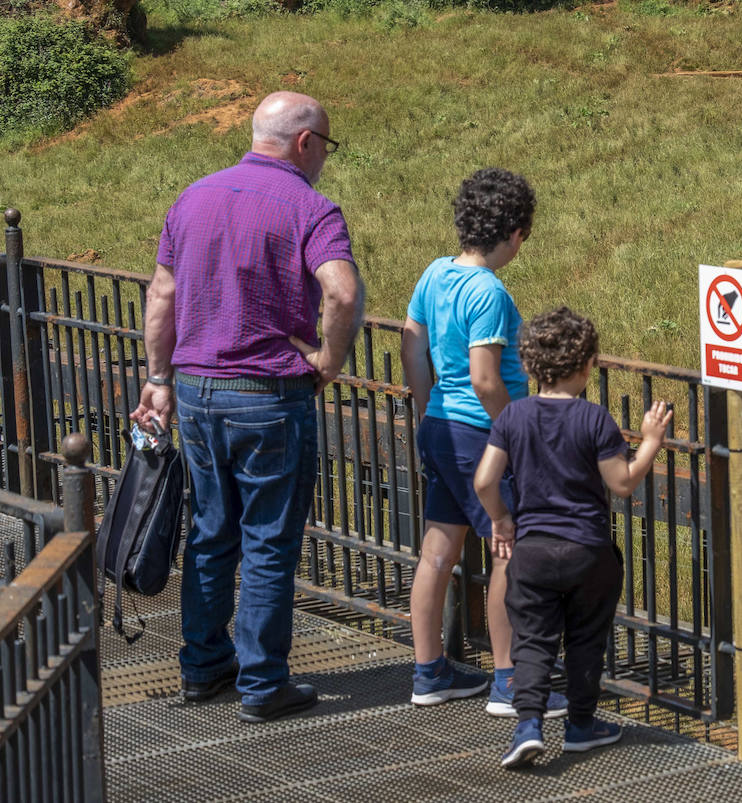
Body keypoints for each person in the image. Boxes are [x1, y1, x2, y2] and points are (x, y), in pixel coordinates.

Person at [131, 91, 365, 723]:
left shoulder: (194, 196)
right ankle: (263, 684)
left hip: (198, 393)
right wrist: (327, 361)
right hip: (268, 396)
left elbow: (162, 294)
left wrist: (159, 378)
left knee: (211, 532)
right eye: (326, 147)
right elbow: (341, 292)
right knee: (268, 541)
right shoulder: (311, 208)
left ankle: (203, 668)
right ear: (305, 142)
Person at [473, 306, 673, 769]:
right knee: (586, 639)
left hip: (533, 553)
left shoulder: (513, 418)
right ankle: (582, 724)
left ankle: (528, 726)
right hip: (588, 551)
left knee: (533, 639)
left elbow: (485, 481)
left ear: (527, 366)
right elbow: (622, 482)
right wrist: (650, 443)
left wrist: (501, 520)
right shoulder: (595, 419)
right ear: (586, 367)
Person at [400, 167, 566, 717]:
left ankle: (429, 672)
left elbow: (411, 341)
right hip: (482, 436)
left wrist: (427, 409)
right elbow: (486, 378)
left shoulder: (434, 274)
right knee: (508, 551)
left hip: (441, 430)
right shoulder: (488, 292)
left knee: (437, 552)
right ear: (515, 233)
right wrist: (518, 431)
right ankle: (510, 682)